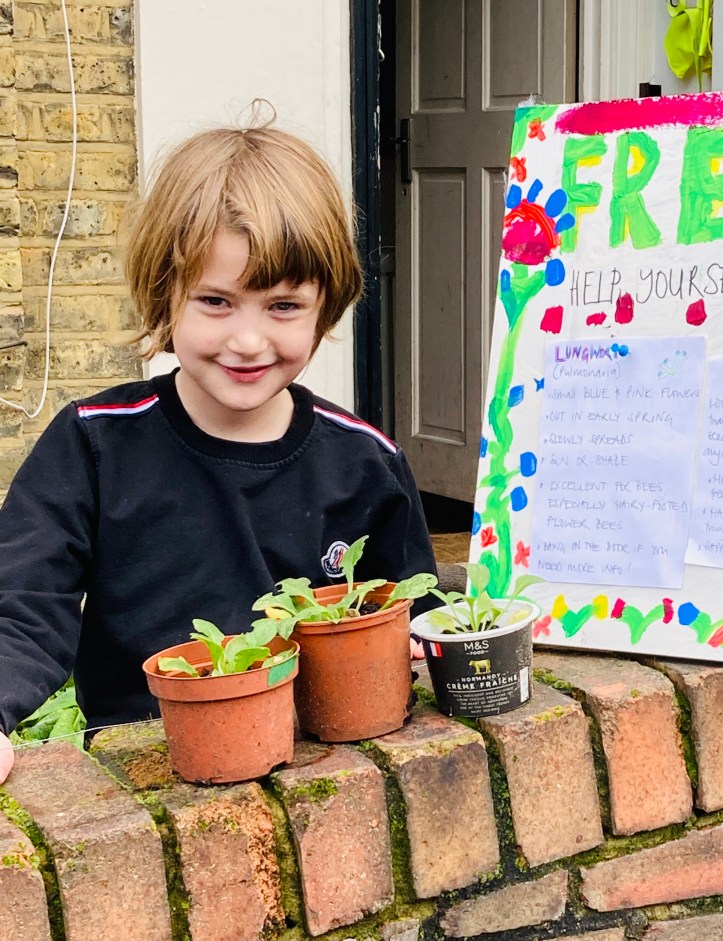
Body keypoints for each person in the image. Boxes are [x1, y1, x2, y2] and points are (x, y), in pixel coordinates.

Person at [0, 122, 438, 784]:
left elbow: (412, 618)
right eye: (215, 301)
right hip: (143, 788)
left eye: (283, 305)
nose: (248, 339)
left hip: (324, 788)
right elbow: (22, 605)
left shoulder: (366, 463)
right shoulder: (94, 441)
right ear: (165, 294)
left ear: (325, 307)